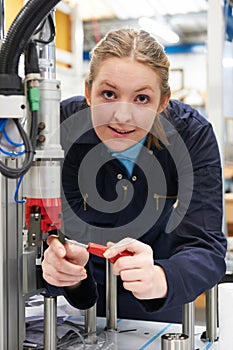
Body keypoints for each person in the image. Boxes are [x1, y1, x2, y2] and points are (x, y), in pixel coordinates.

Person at [42, 28, 227, 323]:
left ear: (162, 102)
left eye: (142, 98)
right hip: (75, 307)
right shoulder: (62, 129)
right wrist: (68, 272)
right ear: (88, 91)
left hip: (156, 290)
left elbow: (206, 244)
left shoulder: (191, 134)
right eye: (109, 94)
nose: (123, 117)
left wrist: (160, 277)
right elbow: (54, 231)